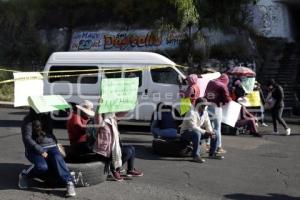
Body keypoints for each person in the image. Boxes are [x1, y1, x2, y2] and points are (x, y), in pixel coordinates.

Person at [19, 108, 76, 197]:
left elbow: (50, 134)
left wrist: (56, 143)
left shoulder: (47, 117)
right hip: (35, 149)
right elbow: (27, 139)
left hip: (51, 146)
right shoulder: (28, 120)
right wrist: (40, 150)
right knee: (42, 167)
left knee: (58, 159)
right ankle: (24, 175)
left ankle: (69, 182)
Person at [93, 111, 143, 181]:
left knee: (132, 148)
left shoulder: (113, 121)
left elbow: (121, 114)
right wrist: (99, 106)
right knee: (128, 151)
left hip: (114, 149)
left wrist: (128, 106)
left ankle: (130, 170)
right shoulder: (101, 122)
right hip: (105, 151)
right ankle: (114, 169)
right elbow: (97, 116)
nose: (114, 116)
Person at [180, 97, 224, 163]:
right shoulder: (191, 112)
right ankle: (195, 156)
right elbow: (193, 127)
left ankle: (212, 154)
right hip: (186, 133)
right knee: (197, 133)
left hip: (198, 132)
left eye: (205, 106)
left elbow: (208, 124)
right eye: (203, 106)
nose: (205, 107)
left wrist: (211, 132)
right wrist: (205, 132)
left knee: (215, 133)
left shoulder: (205, 113)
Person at [204, 74, 232, 154]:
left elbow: (205, 94)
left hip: (208, 106)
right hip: (217, 108)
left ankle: (207, 145)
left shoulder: (210, 82)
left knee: (209, 126)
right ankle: (218, 147)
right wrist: (229, 100)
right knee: (217, 128)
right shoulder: (222, 85)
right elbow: (227, 98)